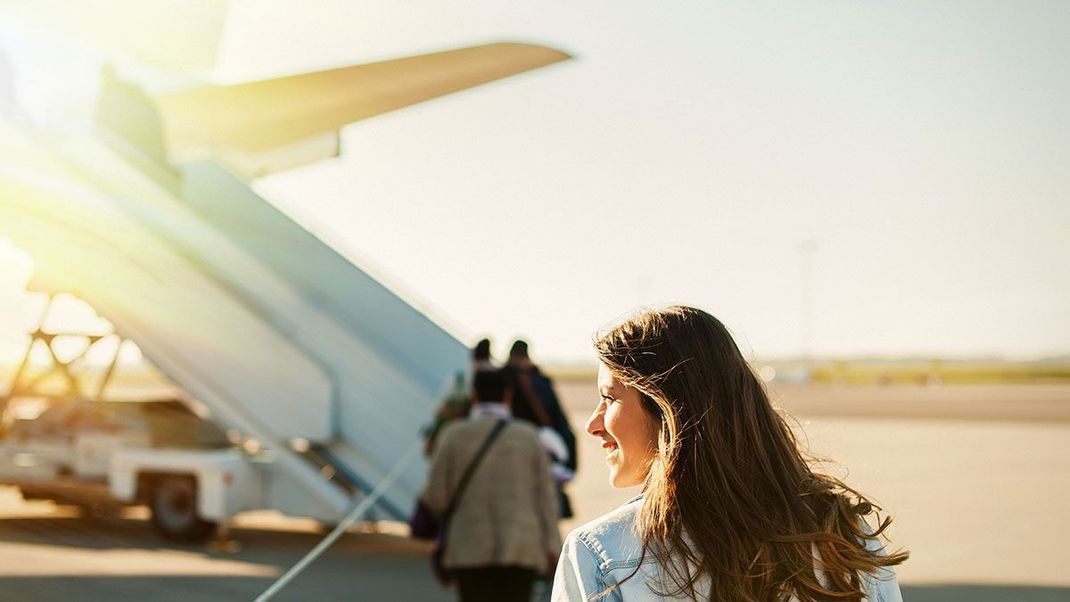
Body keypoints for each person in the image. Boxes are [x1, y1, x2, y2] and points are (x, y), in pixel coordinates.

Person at [552, 306, 908, 601]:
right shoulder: (844, 535)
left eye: (610, 397)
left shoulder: (604, 554)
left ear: (669, 407)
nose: (593, 424)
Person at [422, 368, 561, 602]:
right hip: (521, 546)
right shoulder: (528, 436)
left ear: (474, 396)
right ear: (508, 396)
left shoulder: (453, 435)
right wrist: (552, 546)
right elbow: (546, 498)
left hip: (469, 546)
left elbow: (435, 496)